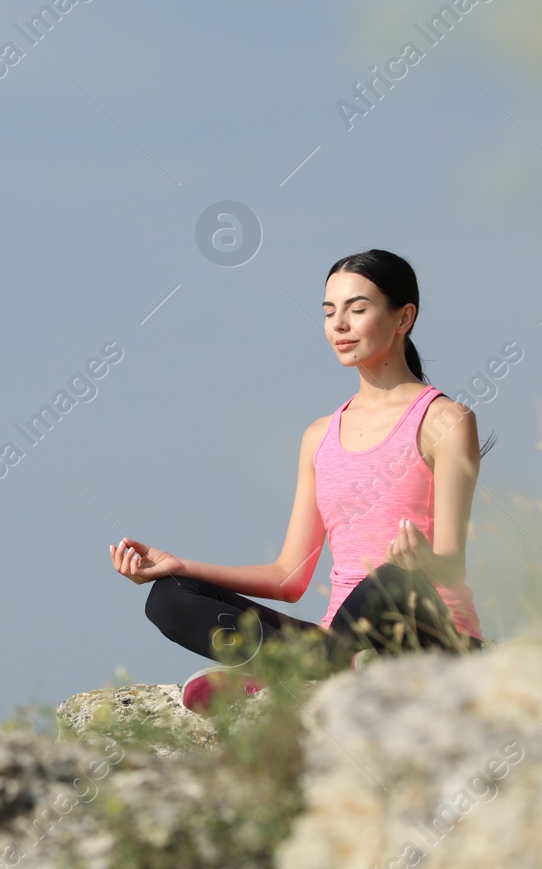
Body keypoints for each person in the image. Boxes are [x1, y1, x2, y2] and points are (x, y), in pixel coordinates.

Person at [109, 249, 495, 713]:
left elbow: (452, 563)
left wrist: (422, 561)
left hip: (429, 635)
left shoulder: (444, 421)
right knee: (169, 599)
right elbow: (290, 577)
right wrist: (179, 565)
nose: (340, 325)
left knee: (390, 579)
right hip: (344, 645)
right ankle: (318, 670)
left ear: (402, 318)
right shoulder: (319, 437)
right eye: (330, 312)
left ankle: (284, 677)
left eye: (358, 308)